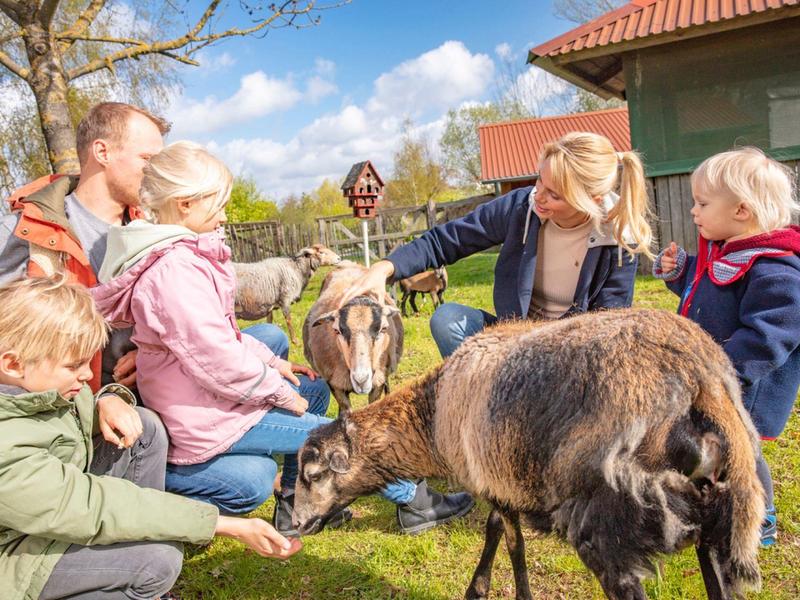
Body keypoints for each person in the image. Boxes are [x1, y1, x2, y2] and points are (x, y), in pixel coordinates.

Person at [91, 141, 475, 535]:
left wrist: (275, 363)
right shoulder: (175, 271)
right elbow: (216, 358)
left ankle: (295, 508)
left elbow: (223, 334)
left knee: (312, 390)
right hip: (208, 415)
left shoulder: (184, 259)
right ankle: (416, 503)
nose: (225, 212)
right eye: (218, 201)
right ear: (185, 204)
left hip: (206, 399)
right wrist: (273, 390)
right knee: (341, 436)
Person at [0, 277, 301, 600]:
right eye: (74, 365)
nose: (87, 375)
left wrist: (111, 397)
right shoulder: (7, 446)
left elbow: (82, 415)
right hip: (14, 562)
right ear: (13, 364)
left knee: (144, 426)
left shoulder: (39, 392)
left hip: (45, 524)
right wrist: (224, 525)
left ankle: (130, 551)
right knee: (158, 561)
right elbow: (92, 504)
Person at [342, 132, 654, 357]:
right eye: (539, 181)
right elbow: (445, 241)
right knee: (446, 319)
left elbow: (606, 332)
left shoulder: (619, 241)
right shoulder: (522, 207)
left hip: (570, 352)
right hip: (511, 339)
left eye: (555, 194)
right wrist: (385, 268)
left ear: (592, 200)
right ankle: (484, 403)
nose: (539, 196)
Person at [653, 147, 800, 547]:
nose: (694, 212)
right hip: (714, 381)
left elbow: (769, 337)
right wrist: (681, 272)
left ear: (741, 211)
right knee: (712, 446)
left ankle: (761, 518)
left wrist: (721, 373)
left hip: (745, 386)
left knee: (744, 453)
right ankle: (711, 505)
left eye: (702, 203)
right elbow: (707, 293)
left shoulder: (775, 269)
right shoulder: (729, 253)